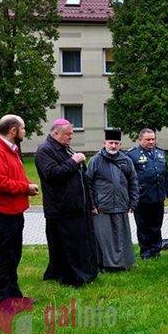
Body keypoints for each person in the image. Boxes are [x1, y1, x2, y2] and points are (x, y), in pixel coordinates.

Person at [0, 115, 39, 307]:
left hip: (15, 212)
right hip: (2, 214)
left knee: (13, 256)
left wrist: (26, 186)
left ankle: (14, 295)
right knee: (3, 257)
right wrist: (25, 188)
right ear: (13, 130)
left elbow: (13, 177)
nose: (25, 132)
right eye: (23, 128)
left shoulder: (11, 151)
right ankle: (1, 299)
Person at [35, 119, 98, 286]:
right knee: (67, 246)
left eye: (71, 134)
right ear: (56, 133)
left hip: (76, 206)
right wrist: (74, 161)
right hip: (61, 207)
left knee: (79, 243)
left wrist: (90, 203)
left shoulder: (64, 148)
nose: (71, 137)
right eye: (68, 134)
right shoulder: (45, 151)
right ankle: (72, 277)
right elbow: (52, 174)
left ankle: (84, 273)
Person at [86, 130, 139, 272]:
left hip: (122, 205)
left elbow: (133, 181)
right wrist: (92, 205)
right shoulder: (95, 160)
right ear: (105, 143)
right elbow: (88, 184)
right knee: (105, 238)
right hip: (102, 207)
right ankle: (105, 265)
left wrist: (133, 202)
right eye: (111, 143)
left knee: (121, 237)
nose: (113, 146)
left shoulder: (126, 160)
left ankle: (122, 264)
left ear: (120, 144)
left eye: (116, 143)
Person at [126, 129, 168, 260]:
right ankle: (146, 252)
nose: (151, 142)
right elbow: (128, 178)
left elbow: (166, 173)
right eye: (148, 140)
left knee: (156, 225)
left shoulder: (160, 153)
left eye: (153, 139)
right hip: (142, 197)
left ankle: (156, 250)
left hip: (158, 195)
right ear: (140, 140)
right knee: (143, 226)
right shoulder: (132, 155)